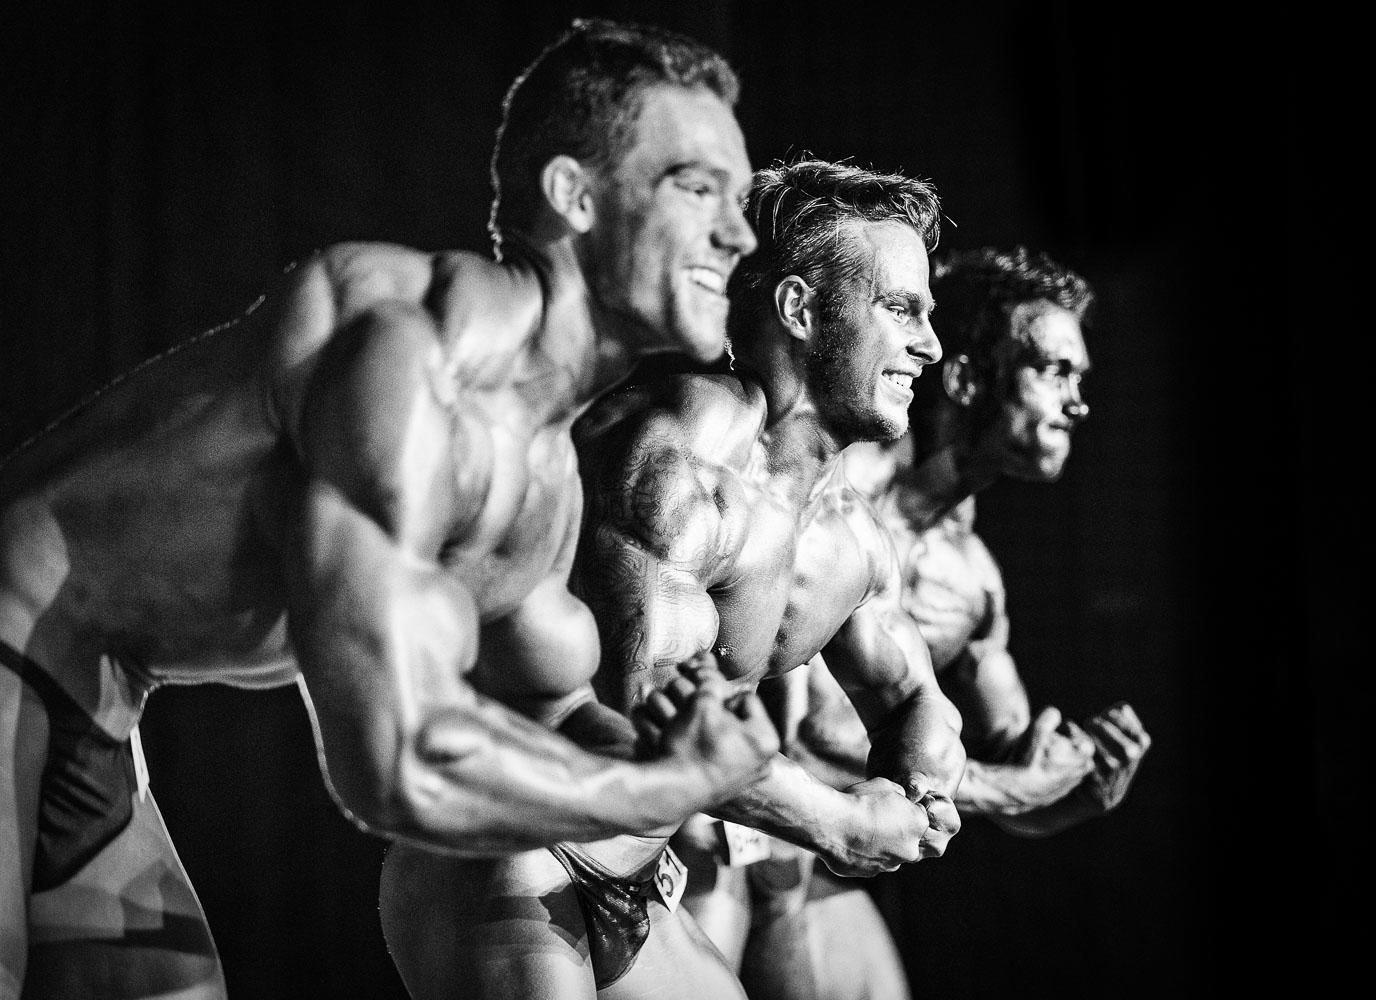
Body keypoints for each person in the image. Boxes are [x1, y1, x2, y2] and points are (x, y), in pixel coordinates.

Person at [0, 18, 781, 1000]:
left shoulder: (543, 490)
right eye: (696, 186)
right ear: (573, 197)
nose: (738, 233)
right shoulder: (408, 354)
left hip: (92, 699)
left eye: (741, 199)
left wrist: (709, 766)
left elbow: (554, 717)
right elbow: (395, 765)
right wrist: (663, 787)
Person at [379, 157, 966, 999]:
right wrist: (836, 821)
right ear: (800, 309)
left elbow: (914, 697)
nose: (931, 345)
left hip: (640, 891)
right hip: (513, 862)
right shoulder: (680, 453)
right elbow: (644, 714)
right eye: (900, 309)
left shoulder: (851, 538)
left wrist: (920, 783)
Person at [714, 245, 1154, 1000]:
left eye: (1079, 379)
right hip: (713, 830)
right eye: (1053, 371)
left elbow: (1003, 768)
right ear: (965, 376)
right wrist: (1013, 790)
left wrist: (1072, 793)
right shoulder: (830, 484)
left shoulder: (973, 582)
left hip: (815, 873)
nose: (1078, 403)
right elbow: (798, 743)